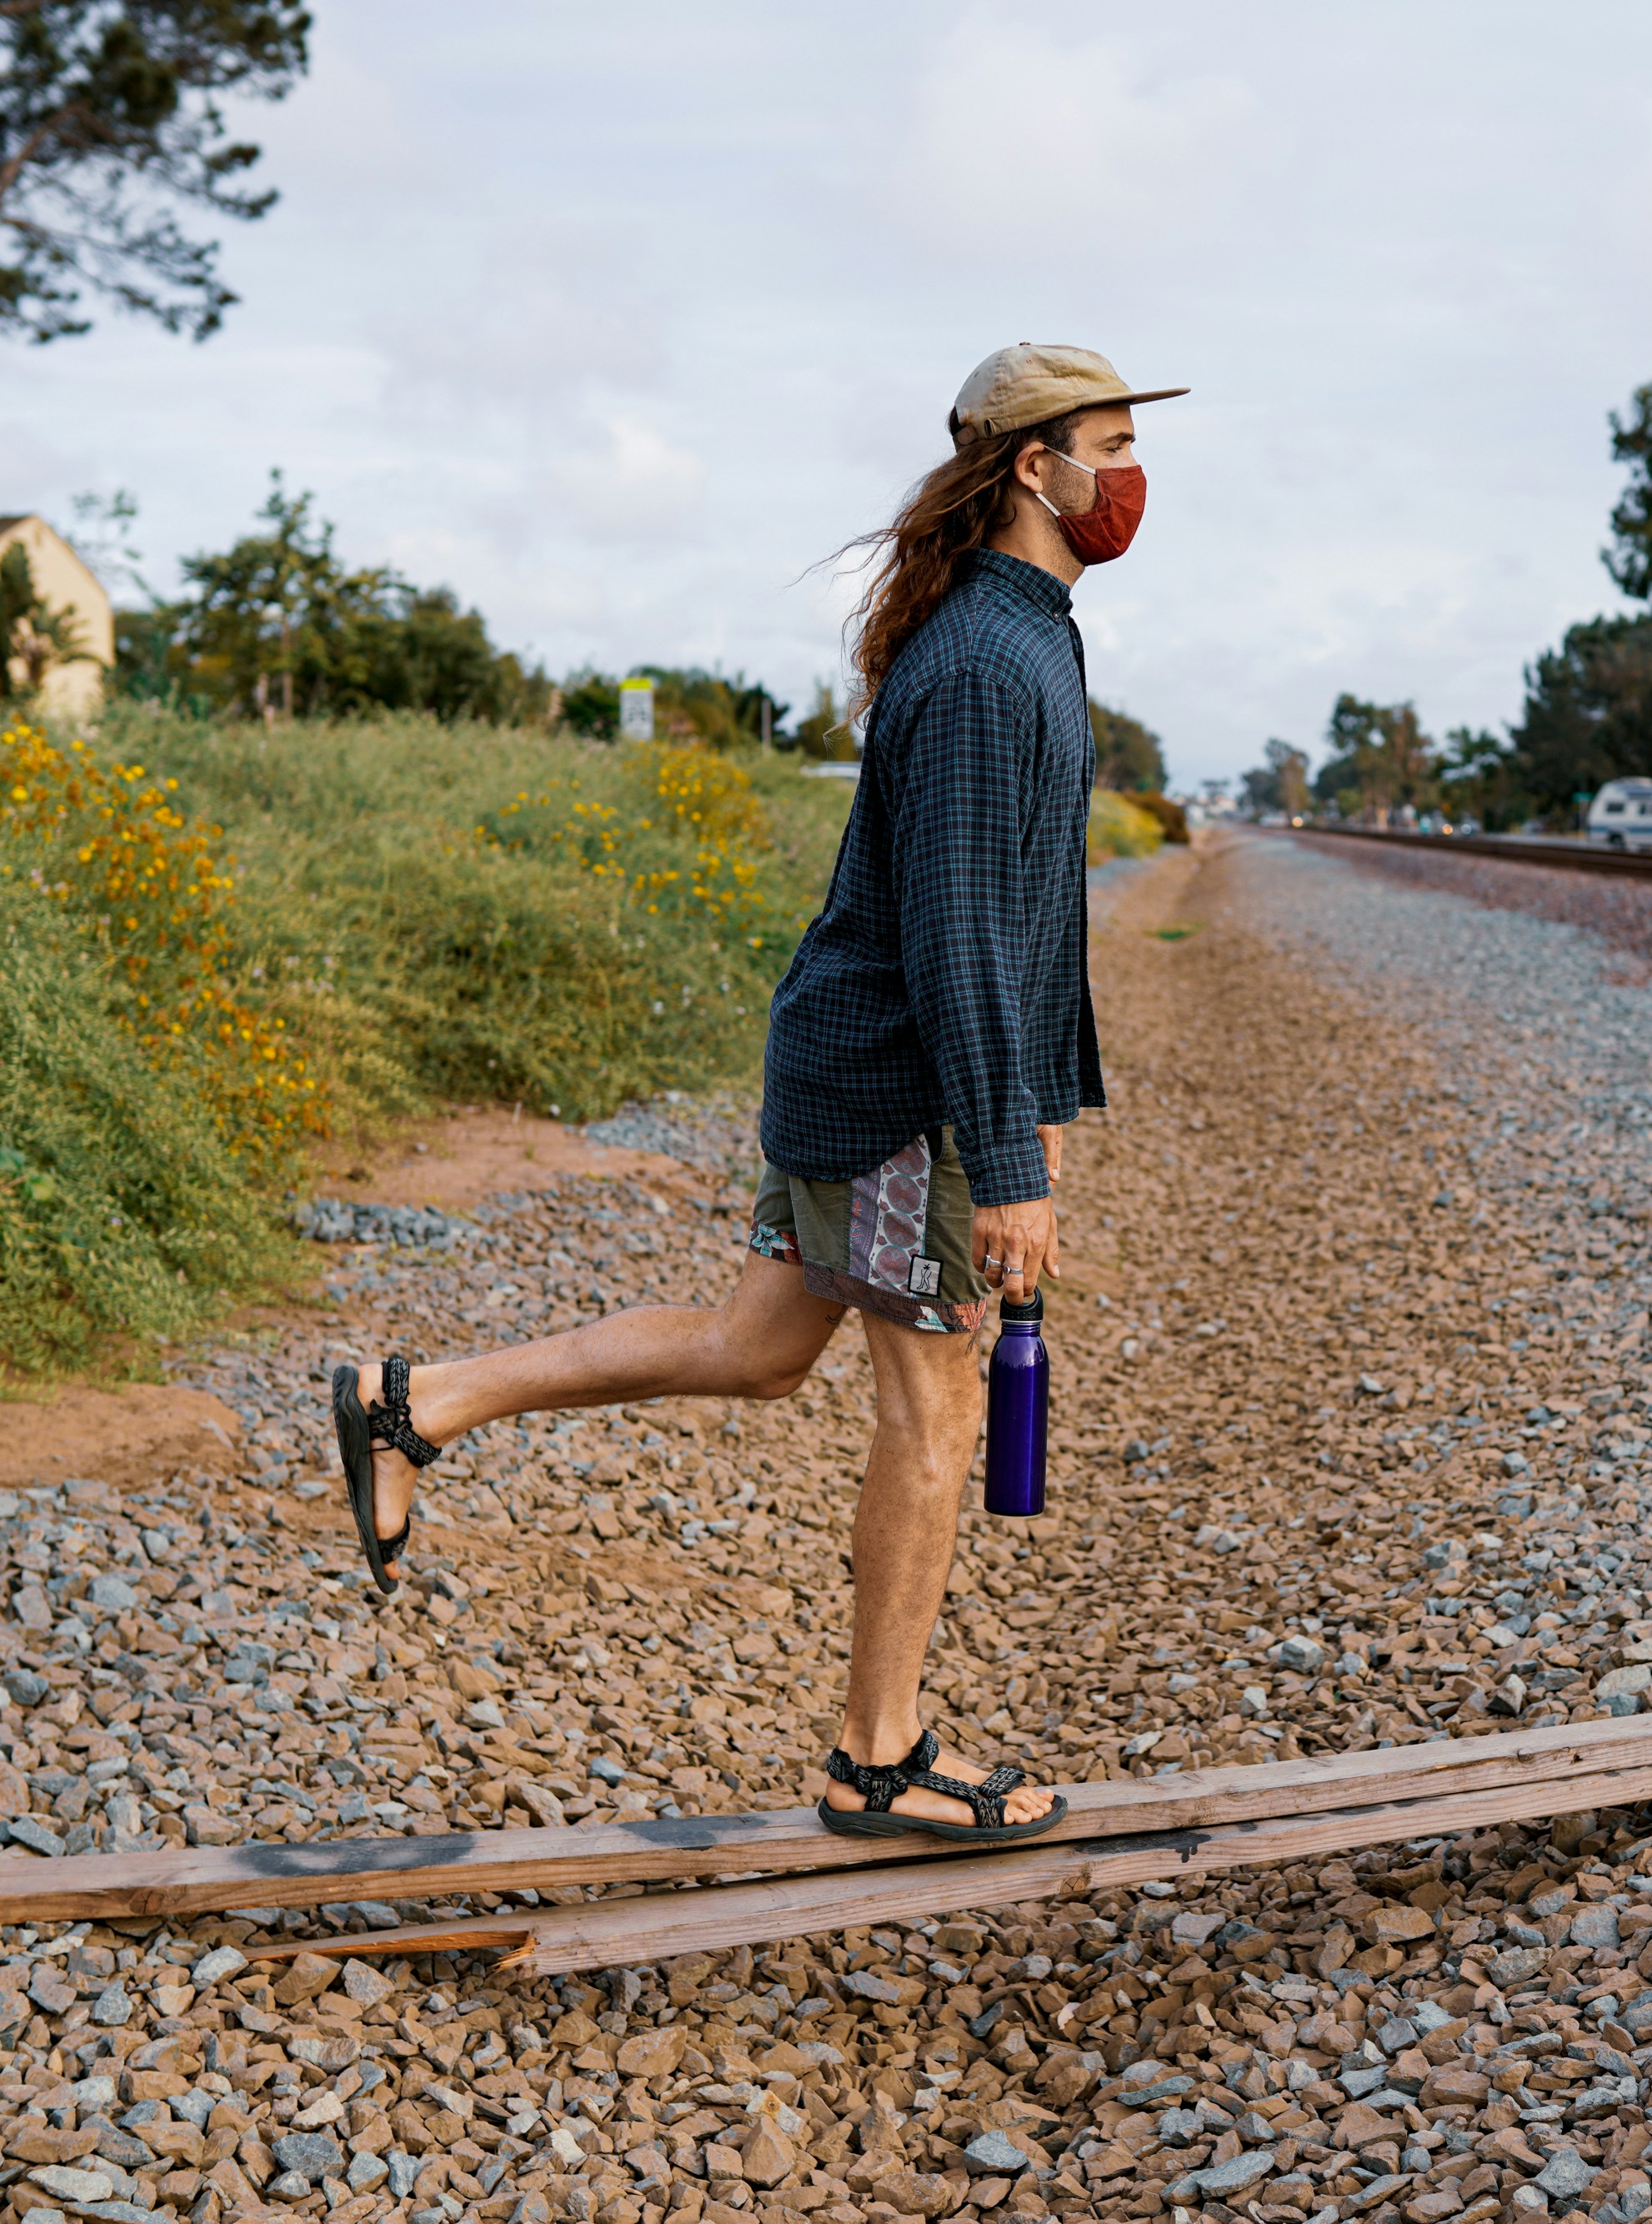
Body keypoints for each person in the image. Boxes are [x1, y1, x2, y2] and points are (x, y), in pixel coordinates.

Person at [328, 343, 1182, 1845]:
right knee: (935, 1403)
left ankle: (418, 1403)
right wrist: (1008, 1153)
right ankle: (880, 1760)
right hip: (904, 1088)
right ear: (1031, 468)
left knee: (756, 1345)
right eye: (1107, 445)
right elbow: (965, 930)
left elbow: (1032, 904)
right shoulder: (989, 662)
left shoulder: (1026, 631)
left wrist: (1043, 1097)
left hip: (874, 1064)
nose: (1130, 478)